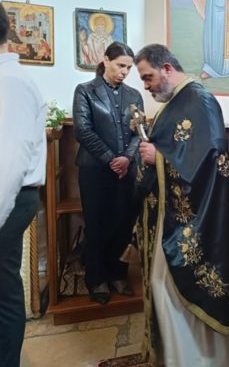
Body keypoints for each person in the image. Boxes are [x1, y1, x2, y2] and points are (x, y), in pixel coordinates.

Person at [134, 44, 229, 366]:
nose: (146, 85)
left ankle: (196, 358)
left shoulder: (200, 100)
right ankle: (176, 356)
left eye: (148, 77)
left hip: (192, 219)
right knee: (162, 287)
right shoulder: (174, 103)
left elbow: (209, 161)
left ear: (167, 68)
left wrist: (159, 159)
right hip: (167, 213)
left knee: (170, 286)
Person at [73, 42, 143, 304]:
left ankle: (118, 274)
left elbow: (139, 131)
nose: (124, 72)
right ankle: (96, 279)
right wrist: (112, 159)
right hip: (95, 170)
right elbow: (83, 130)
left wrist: (127, 158)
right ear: (105, 60)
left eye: (128, 68)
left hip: (126, 170)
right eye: (120, 65)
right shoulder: (85, 91)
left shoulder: (134, 95)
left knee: (123, 223)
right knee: (97, 223)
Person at [0, 3, 46, 367]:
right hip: (10, 199)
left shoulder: (10, 82)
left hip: (10, 200)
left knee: (4, 293)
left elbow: (9, 162)